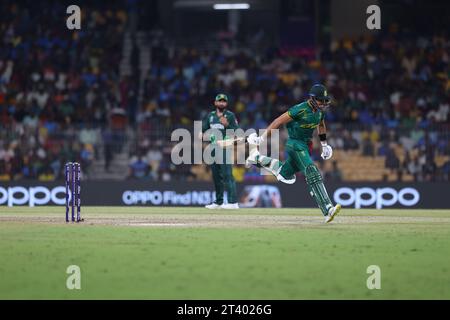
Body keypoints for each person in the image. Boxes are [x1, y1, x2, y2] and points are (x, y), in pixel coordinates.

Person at [246, 84, 341, 223]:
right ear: (313, 99)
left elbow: (321, 125)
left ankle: (256, 158)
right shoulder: (299, 109)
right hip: (294, 143)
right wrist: (262, 137)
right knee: (311, 170)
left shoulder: (320, 112)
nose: (324, 103)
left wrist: (324, 144)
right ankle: (327, 209)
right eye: (321, 100)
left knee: (285, 175)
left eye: (325, 100)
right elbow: (278, 121)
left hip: (306, 146)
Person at [201, 94, 240, 209]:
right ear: (215, 103)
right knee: (216, 176)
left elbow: (237, 131)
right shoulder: (211, 116)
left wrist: (227, 125)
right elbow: (204, 130)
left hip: (225, 148)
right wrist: (201, 134)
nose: (222, 103)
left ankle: (233, 203)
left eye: (224, 101)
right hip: (213, 148)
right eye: (220, 101)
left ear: (226, 104)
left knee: (227, 175)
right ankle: (219, 202)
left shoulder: (230, 115)